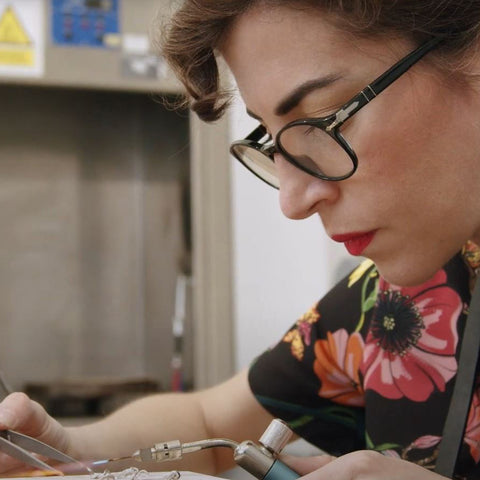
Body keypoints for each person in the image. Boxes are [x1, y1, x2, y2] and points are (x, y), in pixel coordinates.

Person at [1, 0, 480, 478]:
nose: (292, 202)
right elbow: (209, 425)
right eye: (272, 142)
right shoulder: (395, 303)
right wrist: (66, 450)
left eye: (323, 119)